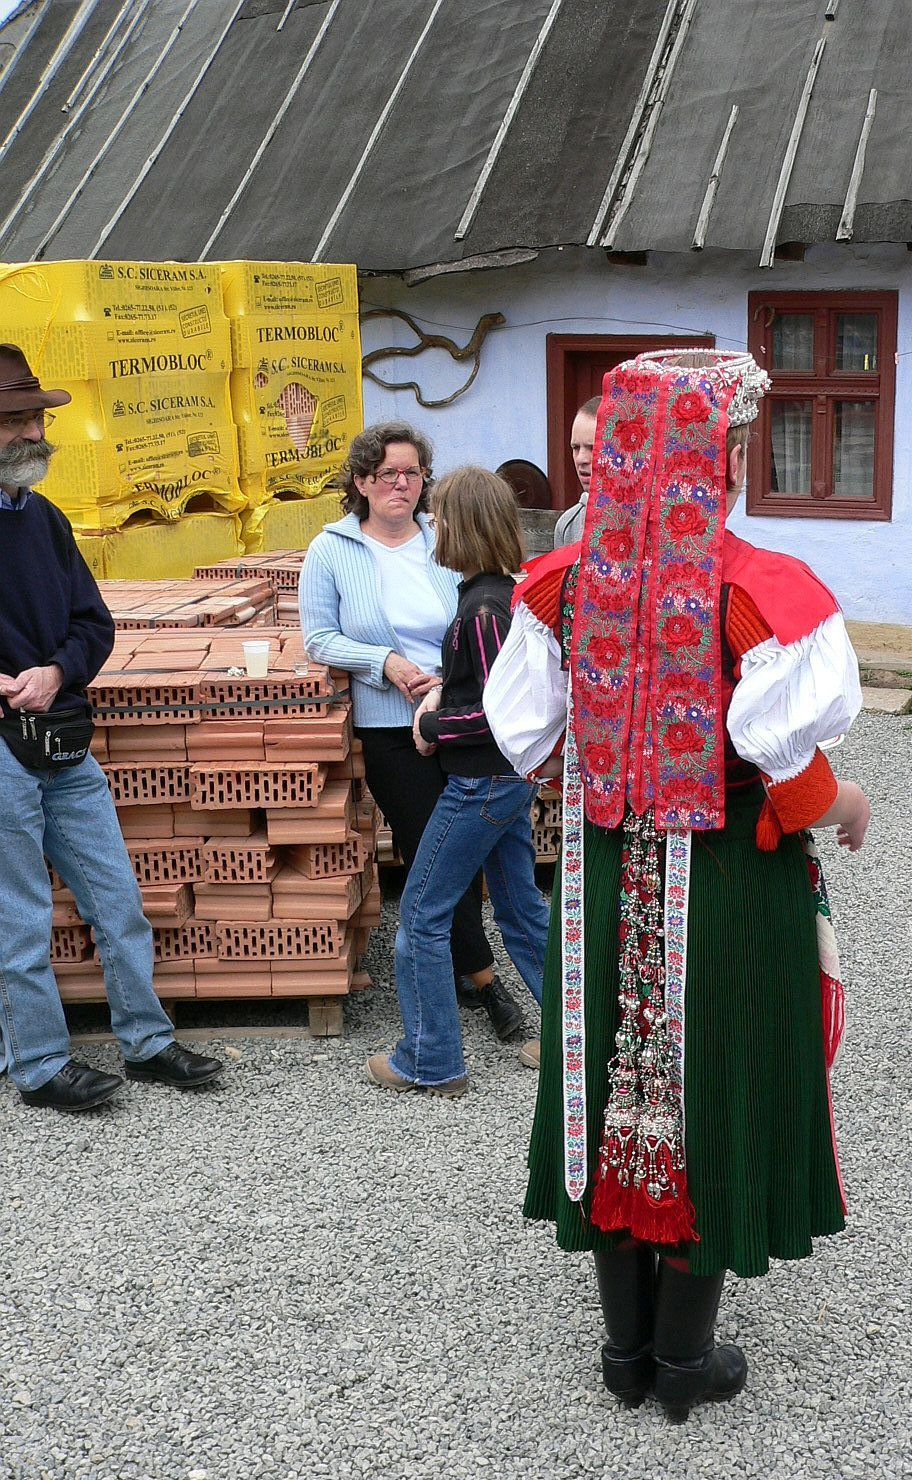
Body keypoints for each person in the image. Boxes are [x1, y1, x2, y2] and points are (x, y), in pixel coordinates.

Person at [482, 349, 871, 1420]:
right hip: (733, 873)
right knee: (715, 1071)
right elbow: (784, 762)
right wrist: (845, 807)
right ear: (727, 454)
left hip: (602, 868)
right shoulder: (761, 590)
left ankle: (626, 1352)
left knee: (615, 1076)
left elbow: (525, 738)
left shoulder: (557, 584)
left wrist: (615, 766)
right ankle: (686, 1360)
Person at [0, 344, 223, 1112]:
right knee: (19, 915)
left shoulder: (45, 518)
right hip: (0, 745)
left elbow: (93, 626)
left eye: (34, 419)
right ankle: (36, 1066)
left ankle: (148, 1042)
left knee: (116, 898)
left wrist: (56, 672)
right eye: (18, 422)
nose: (34, 434)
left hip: (61, 735)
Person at [299, 422, 526, 1043]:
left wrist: (447, 689)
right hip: (393, 727)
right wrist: (386, 664)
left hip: (457, 720)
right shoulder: (332, 549)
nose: (402, 484)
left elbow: (479, 620)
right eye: (388, 473)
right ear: (361, 482)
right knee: (434, 851)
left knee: (462, 857)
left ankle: (458, 971)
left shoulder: (443, 536)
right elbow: (319, 637)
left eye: (413, 472)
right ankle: (488, 984)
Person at [365, 467, 550, 1098]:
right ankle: (584, 1040)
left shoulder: (482, 608)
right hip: (505, 781)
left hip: (483, 785)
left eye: (439, 516)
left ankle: (431, 1059)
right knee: (523, 912)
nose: (430, 525)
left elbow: (501, 712)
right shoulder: (500, 596)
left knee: (421, 913)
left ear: (464, 526)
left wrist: (437, 723)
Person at [552, 396, 600, 548]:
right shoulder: (568, 525)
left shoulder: (642, 521)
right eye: (576, 448)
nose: (581, 459)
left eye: (592, 448)